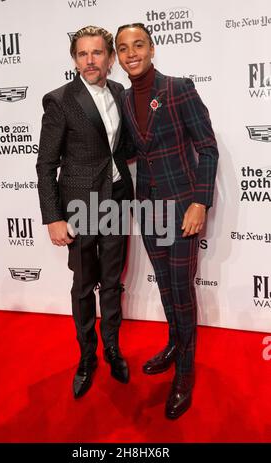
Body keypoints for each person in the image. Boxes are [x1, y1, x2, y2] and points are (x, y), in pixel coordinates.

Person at [115, 23, 219, 419]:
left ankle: (186, 372)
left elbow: (207, 150)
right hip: (149, 208)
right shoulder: (123, 99)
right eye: (123, 48)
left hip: (182, 207)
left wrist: (200, 203)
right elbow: (132, 149)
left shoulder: (179, 88)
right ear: (119, 57)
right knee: (165, 287)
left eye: (138, 44)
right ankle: (175, 345)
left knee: (181, 289)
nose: (131, 53)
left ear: (152, 48)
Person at [36, 26, 134, 399]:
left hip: (117, 198)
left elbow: (121, 148)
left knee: (112, 281)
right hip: (79, 206)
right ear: (74, 59)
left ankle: (112, 348)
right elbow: (45, 165)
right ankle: (87, 357)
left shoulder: (120, 92)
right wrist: (53, 217)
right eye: (82, 54)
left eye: (97, 54)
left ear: (110, 58)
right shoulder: (60, 100)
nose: (90, 61)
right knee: (83, 287)